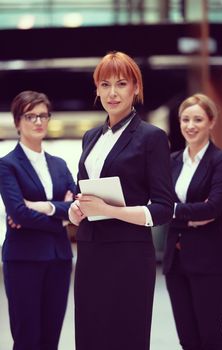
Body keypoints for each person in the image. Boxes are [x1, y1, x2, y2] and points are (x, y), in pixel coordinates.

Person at [68, 51, 174, 350]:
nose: (112, 93)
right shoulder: (90, 137)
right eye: (105, 84)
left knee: (125, 335)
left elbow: (163, 208)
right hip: (90, 251)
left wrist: (110, 210)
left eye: (122, 84)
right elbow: (84, 191)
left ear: (136, 88)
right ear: (97, 89)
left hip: (128, 254)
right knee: (90, 334)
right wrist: (78, 209)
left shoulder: (151, 137)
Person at [0, 90, 76, 350]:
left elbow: (76, 206)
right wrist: (61, 217)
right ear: (18, 121)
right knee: (27, 338)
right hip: (24, 261)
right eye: (30, 116)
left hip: (59, 259)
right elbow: (18, 213)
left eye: (43, 115)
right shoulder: (7, 165)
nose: (38, 121)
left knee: (50, 338)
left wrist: (44, 208)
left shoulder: (59, 164)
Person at [163, 93, 222, 350]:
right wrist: (189, 214)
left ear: (211, 122)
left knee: (211, 338)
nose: (190, 126)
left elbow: (213, 208)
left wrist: (172, 212)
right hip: (175, 262)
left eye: (198, 119)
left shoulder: (221, 160)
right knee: (188, 340)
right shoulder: (171, 161)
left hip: (208, 262)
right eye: (185, 119)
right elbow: (159, 207)